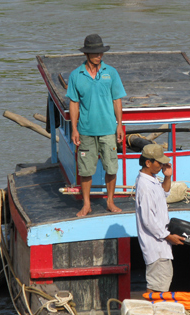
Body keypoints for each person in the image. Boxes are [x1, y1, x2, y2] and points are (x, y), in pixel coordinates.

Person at [66, 34, 127, 217]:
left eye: (101, 52)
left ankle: (110, 201)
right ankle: (86, 204)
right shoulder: (76, 75)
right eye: (95, 52)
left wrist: (119, 125)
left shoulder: (111, 73)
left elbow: (117, 100)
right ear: (86, 54)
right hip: (85, 131)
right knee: (85, 170)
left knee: (111, 167)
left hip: (108, 129)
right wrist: (74, 129)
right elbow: (74, 104)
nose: (99, 55)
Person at [134, 144, 185, 292]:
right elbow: (148, 219)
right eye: (159, 162)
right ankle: (152, 313)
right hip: (156, 247)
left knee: (160, 284)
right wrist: (169, 236)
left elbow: (164, 194)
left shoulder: (152, 179)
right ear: (148, 163)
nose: (162, 165)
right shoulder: (144, 186)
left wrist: (167, 176)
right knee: (158, 287)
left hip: (160, 245)